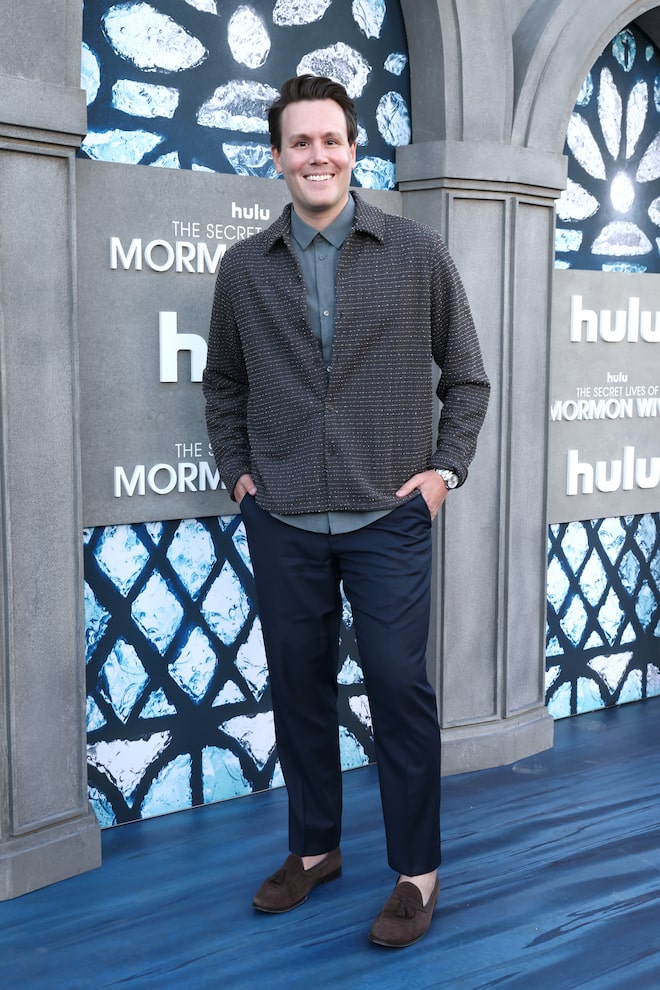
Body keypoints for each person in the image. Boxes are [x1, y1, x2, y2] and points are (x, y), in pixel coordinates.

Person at [203, 74, 490, 948]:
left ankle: (417, 872)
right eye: (300, 142)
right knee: (298, 687)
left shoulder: (417, 253)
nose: (316, 155)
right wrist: (239, 477)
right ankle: (315, 848)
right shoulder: (243, 269)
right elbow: (223, 385)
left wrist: (444, 474)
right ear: (278, 157)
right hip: (284, 515)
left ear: (354, 149)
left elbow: (467, 379)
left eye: (331, 140)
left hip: (389, 515)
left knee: (399, 688)